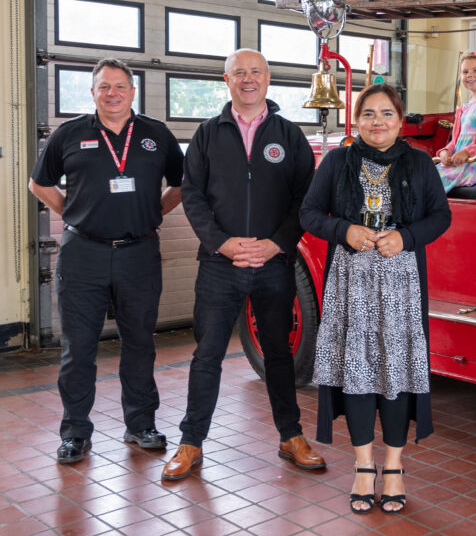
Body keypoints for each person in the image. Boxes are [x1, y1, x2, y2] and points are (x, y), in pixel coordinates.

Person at [163, 48, 324, 481]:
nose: (248, 79)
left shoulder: (289, 136)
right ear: (226, 79)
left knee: (279, 355)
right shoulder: (206, 134)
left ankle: (291, 437)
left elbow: (305, 201)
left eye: (256, 72)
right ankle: (190, 443)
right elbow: (192, 195)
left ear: (268, 79)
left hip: (274, 265)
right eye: (240, 73)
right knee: (207, 356)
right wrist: (222, 243)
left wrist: (276, 244)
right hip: (220, 264)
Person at [301, 84, 451, 514]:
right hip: (350, 285)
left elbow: (441, 216)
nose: (377, 122)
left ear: (401, 122)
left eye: (387, 114)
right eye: (368, 114)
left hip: (401, 286)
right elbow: (309, 213)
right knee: (359, 373)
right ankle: (363, 466)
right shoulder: (336, 161)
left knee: (396, 373)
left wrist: (406, 237)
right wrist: (342, 231)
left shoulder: (420, 164)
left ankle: (394, 466)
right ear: (357, 120)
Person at [29, 58, 183, 464]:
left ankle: (140, 425)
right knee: (78, 349)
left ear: (133, 92)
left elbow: (183, 185)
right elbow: (38, 183)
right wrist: (75, 212)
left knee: (139, 344)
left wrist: (152, 213)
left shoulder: (157, 135)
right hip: (84, 255)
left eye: (120, 86)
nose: (112, 93)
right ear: (93, 93)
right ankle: (76, 432)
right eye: (104, 87)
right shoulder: (69, 134)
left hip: (139, 253)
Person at [435, 50, 476, 192]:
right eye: (465, 72)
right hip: (459, 161)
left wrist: (467, 152)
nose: (469, 75)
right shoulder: (463, 108)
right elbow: (456, 140)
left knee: (430, 180)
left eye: (475, 70)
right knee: (424, 175)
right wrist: (446, 152)